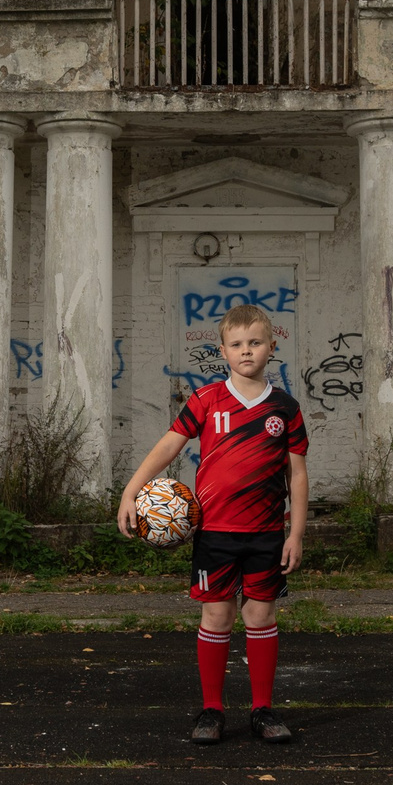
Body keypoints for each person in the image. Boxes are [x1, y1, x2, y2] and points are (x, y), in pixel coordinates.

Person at [117, 301, 308, 744]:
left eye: (255, 343)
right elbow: (167, 448)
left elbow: (297, 474)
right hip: (215, 534)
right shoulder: (206, 399)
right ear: (223, 351)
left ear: (271, 347)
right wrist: (131, 491)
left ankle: (262, 709)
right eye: (237, 344)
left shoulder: (285, 407)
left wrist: (295, 532)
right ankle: (211, 710)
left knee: (261, 615)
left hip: (265, 533)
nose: (247, 351)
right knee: (218, 615)